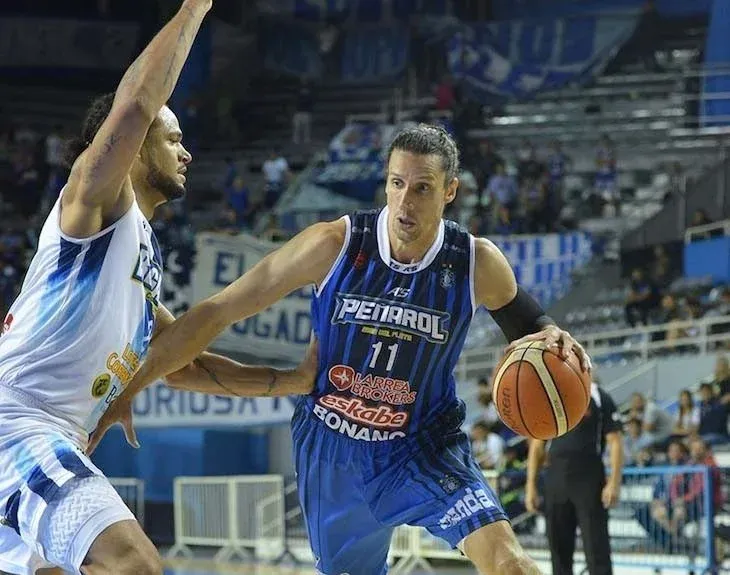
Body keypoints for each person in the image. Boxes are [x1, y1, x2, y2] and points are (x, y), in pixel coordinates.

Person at [92, 124, 592, 575]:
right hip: (333, 450)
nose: (405, 201)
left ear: (450, 191)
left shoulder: (475, 262)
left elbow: (530, 324)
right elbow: (217, 312)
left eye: (422, 188)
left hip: (423, 446)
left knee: (511, 563)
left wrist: (554, 334)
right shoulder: (335, 244)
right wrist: (131, 386)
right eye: (396, 183)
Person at [0, 2, 315, 574]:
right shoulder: (94, 204)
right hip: (18, 422)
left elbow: (186, 364)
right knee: (134, 564)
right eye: (173, 139)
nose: (187, 152)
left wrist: (294, 381)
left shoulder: (140, 257)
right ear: (137, 143)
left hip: (52, 431)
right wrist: (196, 5)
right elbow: (137, 103)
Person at [526, 380, 623, 575]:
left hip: (589, 478)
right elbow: (537, 445)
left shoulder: (599, 396)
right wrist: (530, 486)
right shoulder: (552, 396)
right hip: (556, 478)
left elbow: (615, 441)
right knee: (558, 550)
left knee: (597, 548)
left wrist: (614, 482)